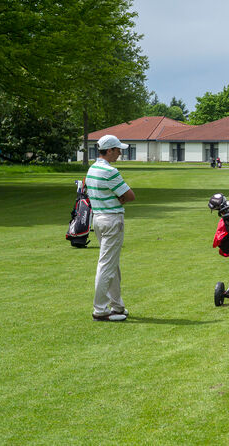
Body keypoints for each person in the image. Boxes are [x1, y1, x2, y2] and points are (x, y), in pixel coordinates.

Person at [87, 134, 136, 321]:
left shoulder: (92, 169)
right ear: (109, 151)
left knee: (112, 264)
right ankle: (100, 309)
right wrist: (120, 199)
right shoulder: (110, 171)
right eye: (117, 150)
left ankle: (117, 305)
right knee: (106, 265)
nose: (120, 154)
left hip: (98, 219)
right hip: (112, 220)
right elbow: (130, 195)